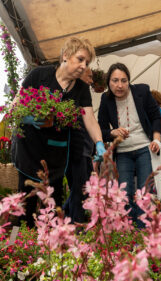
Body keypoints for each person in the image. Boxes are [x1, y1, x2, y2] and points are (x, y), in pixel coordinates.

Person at [12, 37, 105, 227]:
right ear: (65, 56)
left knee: (53, 205)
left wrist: (99, 143)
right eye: (80, 59)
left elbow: (89, 118)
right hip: (29, 150)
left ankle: (54, 249)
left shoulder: (81, 88)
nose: (83, 66)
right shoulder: (39, 75)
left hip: (56, 154)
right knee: (24, 203)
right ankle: (17, 245)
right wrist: (28, 118)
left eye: (87, 62)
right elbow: (15, 106)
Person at [97, 62, 161, 226]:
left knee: (144, 191)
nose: (119, 85)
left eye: (124, 80)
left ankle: (144, 230)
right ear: (108, 83)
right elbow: (101, 129)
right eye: (115, 81)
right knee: (124, 193)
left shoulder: (142, 91)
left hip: (144, 149)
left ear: (129, 81)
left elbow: (156, 117)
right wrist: (112, 132)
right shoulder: (105, 99)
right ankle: (129, 229)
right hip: (123, 153)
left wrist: (156, 139)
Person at [64, 67, 95, 223]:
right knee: (79, 189)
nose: (91, 81)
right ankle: (77, 221)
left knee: (84, 189)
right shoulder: (71, 97)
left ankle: (65, 215)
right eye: (89, 76)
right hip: (77, 152)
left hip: (86, 152)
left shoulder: (84, 96)